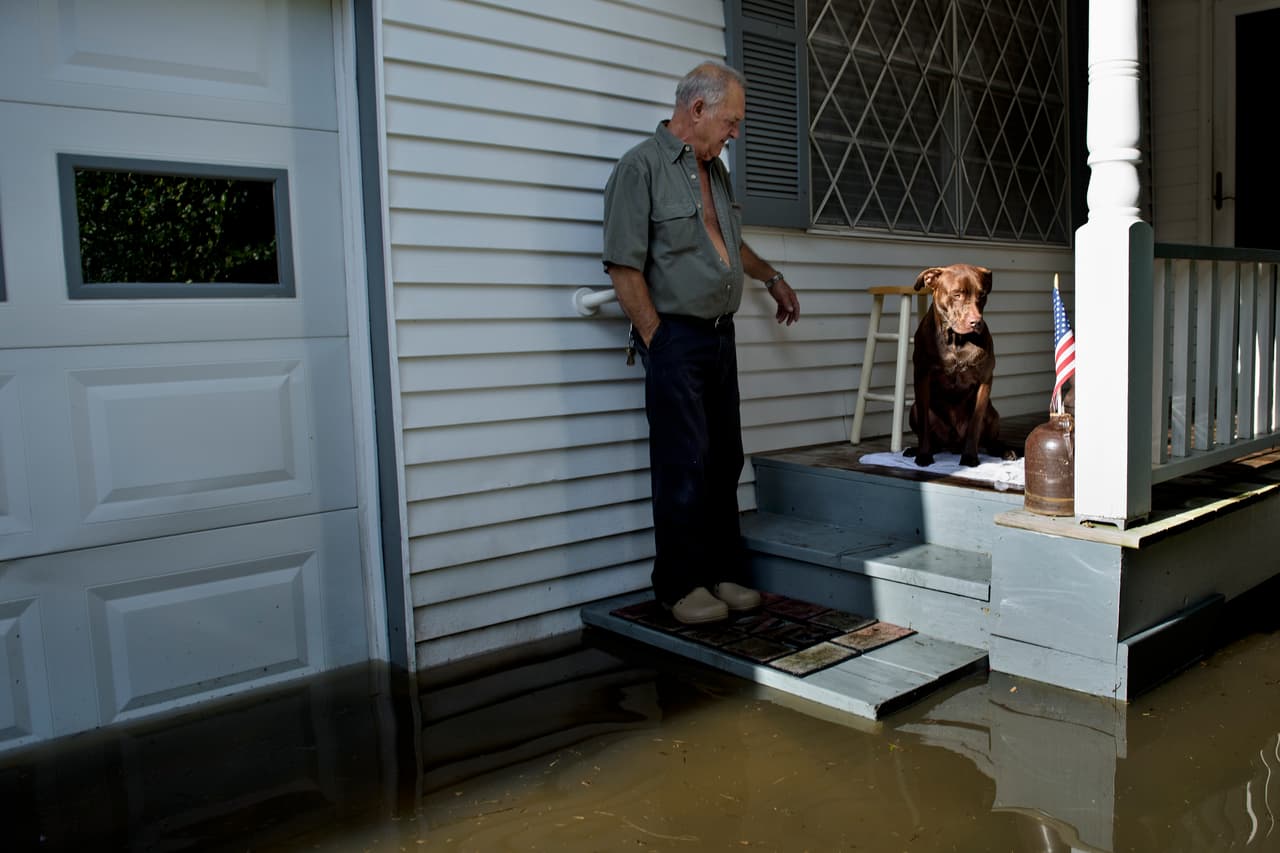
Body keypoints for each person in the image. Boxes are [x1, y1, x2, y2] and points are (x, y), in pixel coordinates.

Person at [601, 61, 800, 625]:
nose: (734, 133)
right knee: (682, 462)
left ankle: (719, 573)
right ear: (697, 110)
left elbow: (729, 245)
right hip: (675, 338)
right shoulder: (639, 169)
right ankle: (679, 585)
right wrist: (656, 339)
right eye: (730, 121)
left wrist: (772, 277)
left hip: (719, 336)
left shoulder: (716, 173)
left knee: (722, 459)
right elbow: (623, 265)